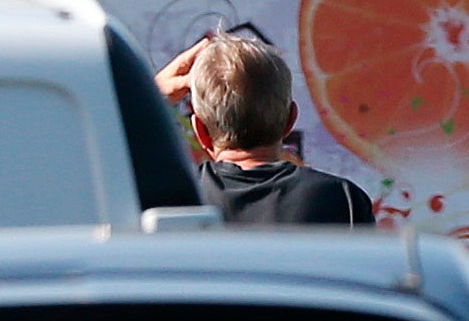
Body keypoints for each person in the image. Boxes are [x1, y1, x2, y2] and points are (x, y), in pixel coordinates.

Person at [160, 28, 379, 228]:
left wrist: (151, 97)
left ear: (201, 131)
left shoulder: (173, 203)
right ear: (290, 120)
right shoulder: (343, 201)